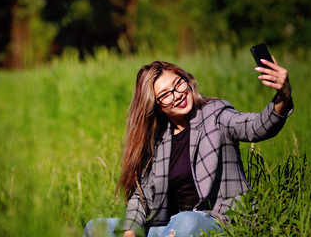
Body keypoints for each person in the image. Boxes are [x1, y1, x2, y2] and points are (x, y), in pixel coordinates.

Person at [83, 57, 293, 237]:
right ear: (155, 104)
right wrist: (129, 232)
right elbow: (142, 195)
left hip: (219, 221)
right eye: (165, 94)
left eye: (178, 84)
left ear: (187, 80)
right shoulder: (157, 138)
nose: (177, 95)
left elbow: (257, 127)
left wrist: (282, 95)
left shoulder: (215, 114)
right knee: (96, 228)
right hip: (170, 228)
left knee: (186, 223)